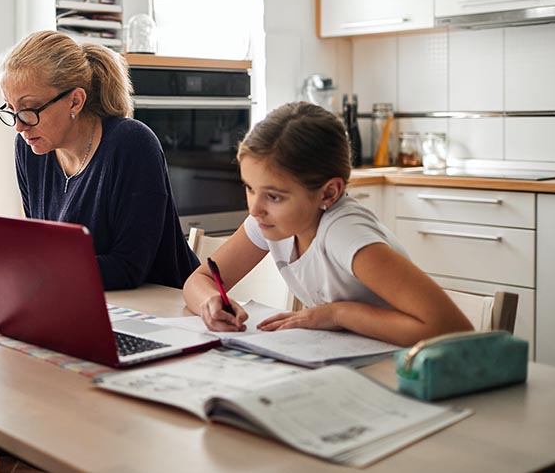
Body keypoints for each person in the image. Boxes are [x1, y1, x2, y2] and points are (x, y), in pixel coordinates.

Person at [183, 101, 472, 347]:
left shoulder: (345, 235)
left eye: (274, 195)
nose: (255, 209)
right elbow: (199, 280)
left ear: (328, 193)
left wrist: (336, 314)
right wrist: (210, 302)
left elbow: (453, 330)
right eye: (249, 188)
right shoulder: (271, 220)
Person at [0, 30, 199, 291]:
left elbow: (129, 268)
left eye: (29, 110)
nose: (19, 126)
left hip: (164, 308)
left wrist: (24, 271)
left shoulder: (132, 144)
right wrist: (3, 265)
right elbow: (44, 249)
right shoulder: (30, 148)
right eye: (11, 109)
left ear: (75, 101)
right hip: (80, 299)